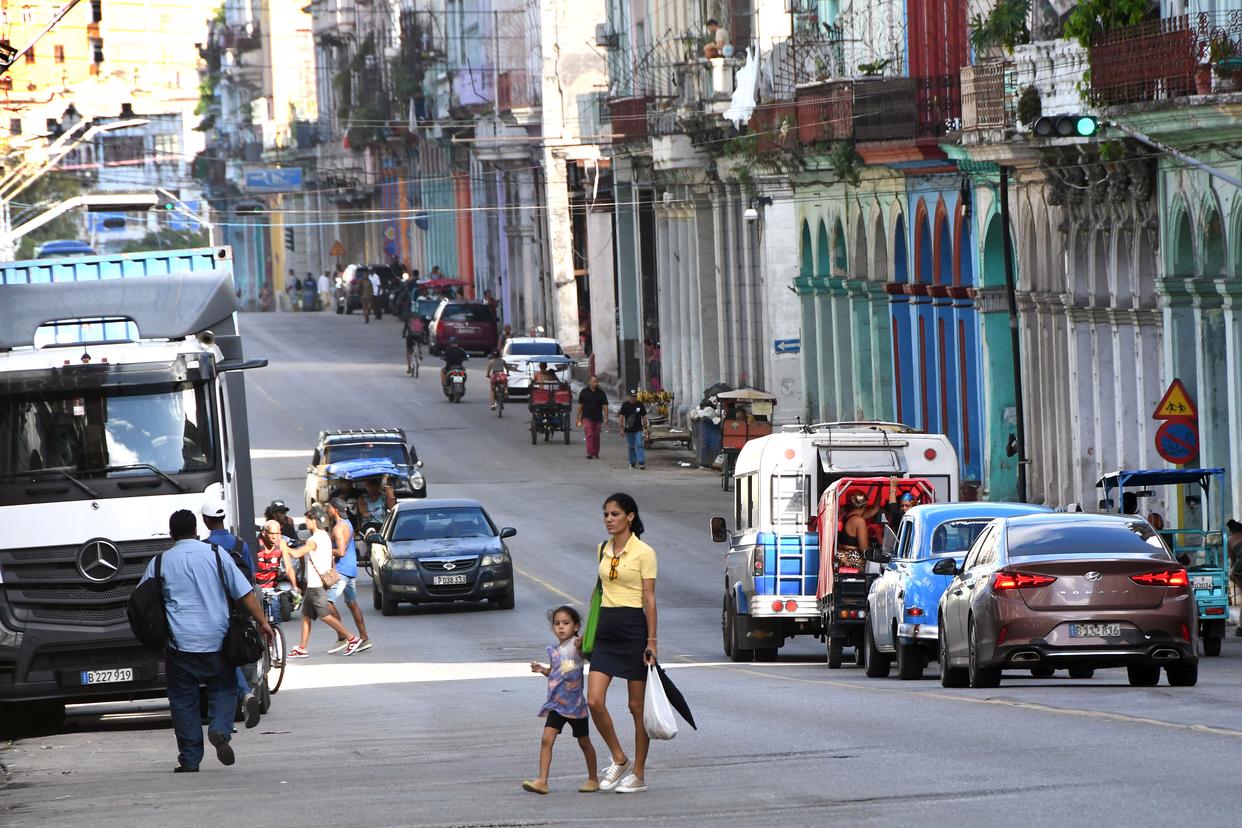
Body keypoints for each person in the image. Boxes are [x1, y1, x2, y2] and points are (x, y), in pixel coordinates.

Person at [141, 509, 273, 773]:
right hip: (218, 639)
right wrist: (263, 622)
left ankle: (190, 759)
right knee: (223, 689)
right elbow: (244, 593)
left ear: (171, 535)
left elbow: (141, 600)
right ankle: (220, 730)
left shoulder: (160, 562)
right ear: (196, 531)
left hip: (179, 644)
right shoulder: (216, 554)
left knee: (183, 700)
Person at [587, 493, 657, 794]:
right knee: (594, 700)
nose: (609, 519)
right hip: (605, 630)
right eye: (606, 514)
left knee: (636, 707)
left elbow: (649, 598)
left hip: (632, 631)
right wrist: (586, 632)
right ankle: (619, 758)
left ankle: (638, 773)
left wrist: (651, 641)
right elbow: (599, 591)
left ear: (630, 517)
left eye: (615, 514)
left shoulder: (644, 552)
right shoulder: (602, 549)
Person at [522, 606, 599, 795]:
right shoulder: (556, 650)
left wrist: (583, 644)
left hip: (575, 707)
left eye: (566, 623)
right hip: (556, 705)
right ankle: (542, 781)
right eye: (557, 624)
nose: (561, 627)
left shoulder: (576, 646)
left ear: (576, 626)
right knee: (546, 739)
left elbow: (586, 652)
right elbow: (558, 672)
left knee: (584, 743)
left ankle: (593, 779)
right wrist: (543, 670)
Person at [201, 500, 260, 724]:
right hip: (240, 609)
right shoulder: (239, 544)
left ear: (206, 520)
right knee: (231, 655)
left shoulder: (204, 547)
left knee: (222, 658)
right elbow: (251, 579)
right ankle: (244, 694)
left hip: (215, 610)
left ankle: (239, 697)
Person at [284, 506, 361, 658]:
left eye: (308, 519)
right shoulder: (324, 536)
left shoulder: (313, 540)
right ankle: (302, 647)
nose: (306, 522)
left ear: (314, 521)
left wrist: (283, 546)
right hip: (319, 583)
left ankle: (351, 638)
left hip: (316, 585)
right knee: (306, 616)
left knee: (325, 616)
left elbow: (296, 554)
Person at [325, 498, 372, 653]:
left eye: (328, 507)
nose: (327, 510)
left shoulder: (338, 528)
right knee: (352, 603)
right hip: (350, 569)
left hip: (342, 571)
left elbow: (341, 552)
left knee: (327, 602)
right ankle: (364, 638)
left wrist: (323, 549)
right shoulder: (348, 523)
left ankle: (343, 636)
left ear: (335, 509)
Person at [577, 375, 609, 460]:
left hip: (597, 417)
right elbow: (580, 405)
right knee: (589, 433)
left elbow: (605, 406)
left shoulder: (601, 393)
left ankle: (596, 452)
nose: (595, 383)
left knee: (596, 435)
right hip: (586, 417)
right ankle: (590, 452)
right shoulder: (584, 392)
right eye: (593, 381)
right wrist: (578, 418)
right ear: (589, 382)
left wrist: (606, 417)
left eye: (596, 381)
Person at [837, 492, 870, 570]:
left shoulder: (845, 516)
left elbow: (874, 510)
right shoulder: (859, 521)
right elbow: (864, 549)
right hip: (852, 559)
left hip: (840, 555)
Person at [618, 389, 649, 470]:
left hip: (638, 428)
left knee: (639, 444)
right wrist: (621, 428)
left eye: (635, 396)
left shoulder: (640, 404)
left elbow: (644, 417)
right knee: (631, 446)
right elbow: (621, 417)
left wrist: (645, 429)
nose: (633, 398)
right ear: (628, 397)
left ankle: (641, 462)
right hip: (629, 429)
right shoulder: (625, 405)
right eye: (632, 397)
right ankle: (632, 463)